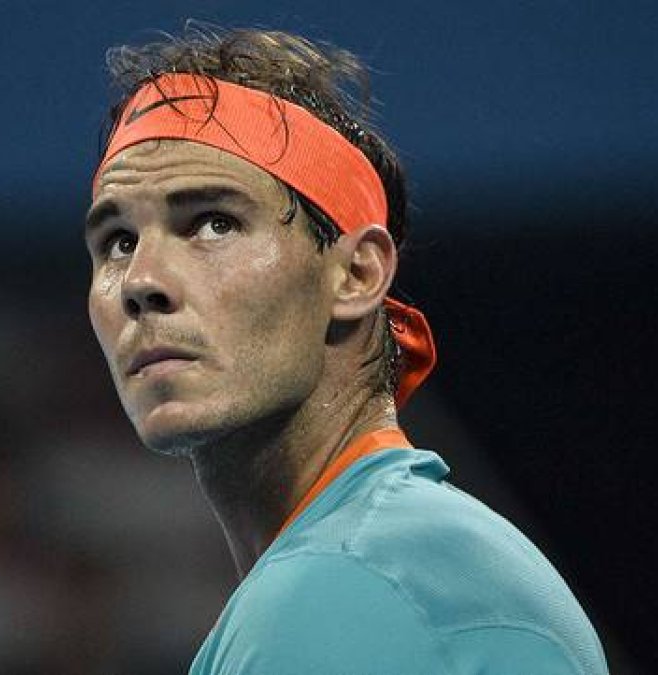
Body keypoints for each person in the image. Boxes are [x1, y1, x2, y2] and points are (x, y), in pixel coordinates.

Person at [83, 25, 609, 674]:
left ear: (357, 275)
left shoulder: (350, 587)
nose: (140, 282)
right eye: (117, 241)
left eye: (213, 222)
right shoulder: (397, 565)